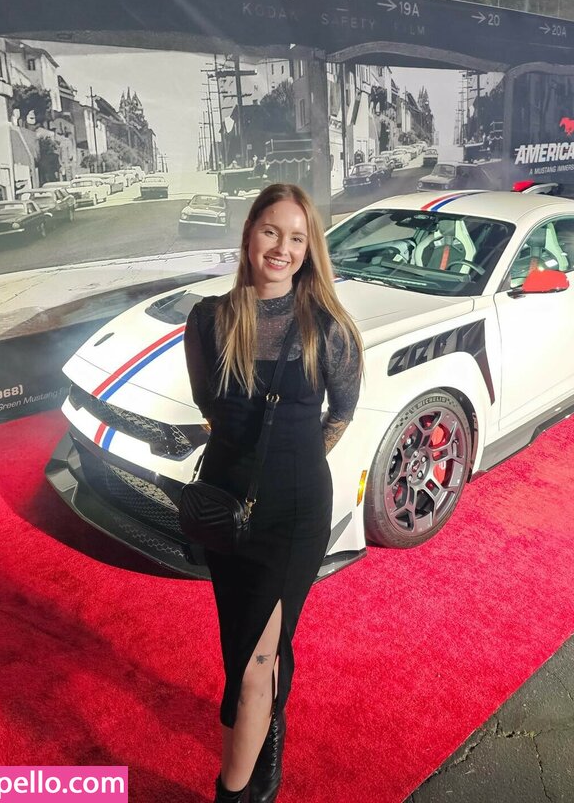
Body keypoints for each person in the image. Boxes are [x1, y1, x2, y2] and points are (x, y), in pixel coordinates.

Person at [184, 183, 363, 803]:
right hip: (225, 511)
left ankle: (233, 793)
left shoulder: (328, 328)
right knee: (245, 647)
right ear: (249, 235)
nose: (281, 248)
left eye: (296, 238)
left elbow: (343, 410)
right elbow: (211, 403)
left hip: (293, 515)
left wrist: (294, 465)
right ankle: (269, 726)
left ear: (309, 249)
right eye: (270, 231)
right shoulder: (209, 319)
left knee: (256, 660)